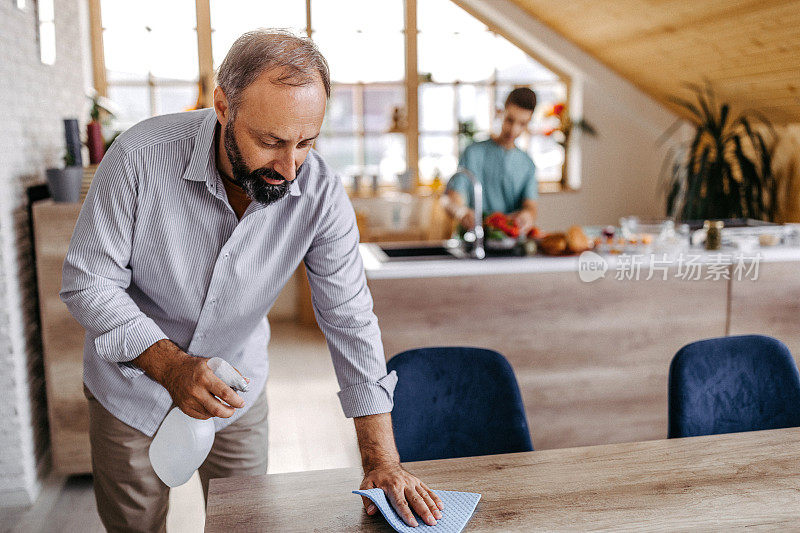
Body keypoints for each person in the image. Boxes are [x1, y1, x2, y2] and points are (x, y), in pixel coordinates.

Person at [61, 29, 442, 532]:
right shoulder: (138, 156)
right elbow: (88, 281)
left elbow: (349, 318)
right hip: (130, 388)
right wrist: (170, 365)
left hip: (236, 389)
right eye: (270, 142)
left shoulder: (321, 192)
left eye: (306, 142)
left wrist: (382, 461)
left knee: (245, 526)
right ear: (224, 106)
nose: (289, 167)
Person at [444, 87, 539, 235]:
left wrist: (527, 216)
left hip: (507, 241)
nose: (513, 130)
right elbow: (451, 199)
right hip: (471, 239)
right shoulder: (473, 152)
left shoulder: (528, 164)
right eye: (510, 120)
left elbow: (530, 206)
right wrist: (461, 212)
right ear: (500, 112)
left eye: (522, 124)